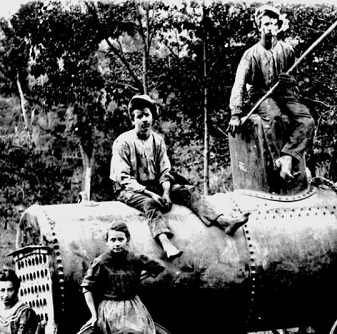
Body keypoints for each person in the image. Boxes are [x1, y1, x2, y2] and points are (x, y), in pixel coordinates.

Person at [111, 94, 249, 259]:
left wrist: (166, 193)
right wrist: (152, 194)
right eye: (139, 116)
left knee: (187, 191)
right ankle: (166, 244)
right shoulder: (123, 142)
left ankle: (224, 222)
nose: (144, 120)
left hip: (153, 185)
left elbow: (164, 171)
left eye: (147, 115)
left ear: (152, 117)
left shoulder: (157, 141)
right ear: (133, 120)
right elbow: (124, 178)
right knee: (149, 204)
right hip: (128, 189)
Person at [227, 5, 315, 190]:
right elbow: (239, 83)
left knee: (307, 120)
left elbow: (296, 80)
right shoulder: (250, 54)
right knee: (274, 117)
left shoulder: (287, 50)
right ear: (259, 27)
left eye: (274, 24)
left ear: (279, 27)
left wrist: (290, 80)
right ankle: (278, 161)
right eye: (266, 24)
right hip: (261, 94)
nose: (270, 28)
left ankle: (288, 155)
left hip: (284, 93)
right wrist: (236, 113)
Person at [82, 220, 166, 334]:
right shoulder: (102, 261)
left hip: (132, 303)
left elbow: (158, 266)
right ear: (107, 242)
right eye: (113, 240)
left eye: (120, 239)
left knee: (142, 330)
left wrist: (141, 275)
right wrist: (93, 315)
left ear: (127, 239)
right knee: (121, 331)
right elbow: (87, 287)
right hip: (111, 306)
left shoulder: (134, 258)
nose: (117, 243)